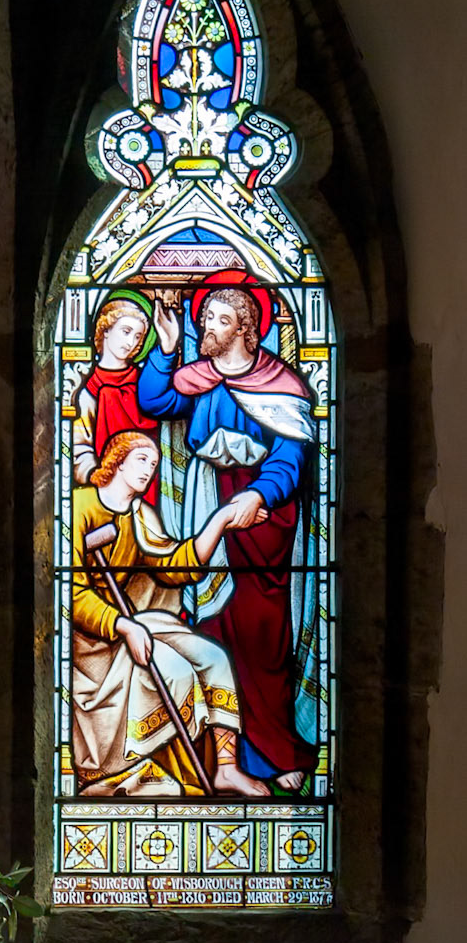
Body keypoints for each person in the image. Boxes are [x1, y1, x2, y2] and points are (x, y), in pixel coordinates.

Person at [137, 273, 318, 788]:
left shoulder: (280, 386)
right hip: (209, 508)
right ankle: (221, 755)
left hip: (261, 523)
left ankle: (273, 754)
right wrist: (167, 351)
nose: (206, 327)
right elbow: (155, 401)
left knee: (264, 640)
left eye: (218, 319)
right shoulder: (202, 377)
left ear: (246, 329)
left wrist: (259, 495)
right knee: (211, 631)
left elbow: (289, 456)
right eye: (205, 318)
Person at [70, 430, 270, 799]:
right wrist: (122, 625)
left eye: (155, 463)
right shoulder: (78, 507)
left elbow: (175, 566)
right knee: (173, 670)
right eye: (141, 460)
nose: (149, 469)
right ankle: (145, 767)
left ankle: (226, 769)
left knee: (212, 657)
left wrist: (221, 520)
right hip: (93, 641)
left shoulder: (140, 515)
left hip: (137, 622)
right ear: (116, 460)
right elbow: (73, 594)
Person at [72, 293, 157, 493]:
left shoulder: (146, 384)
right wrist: (99, 476)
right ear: (106, 329)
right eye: (126, 331)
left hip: (150, 482)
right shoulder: (88, 390)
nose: (131, 342)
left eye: (138, 336)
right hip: (107, 487)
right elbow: (80, 445)